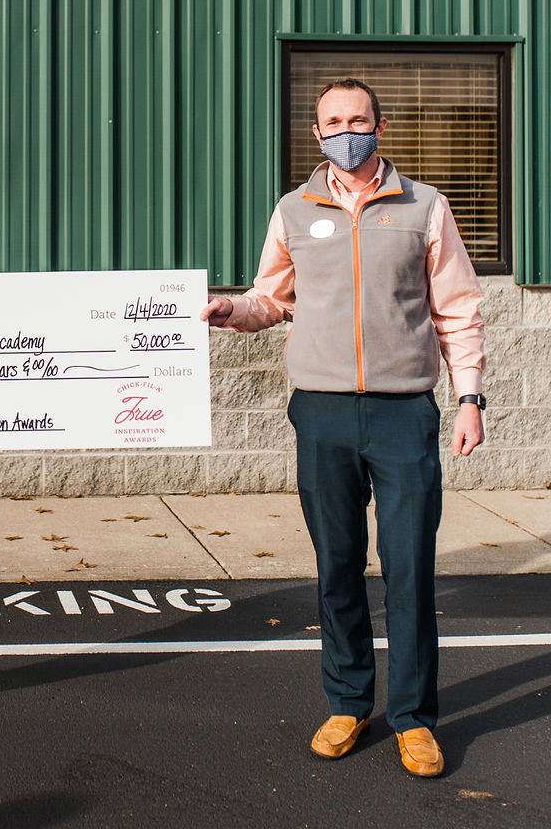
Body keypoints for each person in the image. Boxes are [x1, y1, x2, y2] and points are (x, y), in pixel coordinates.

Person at [202, 78, 485, 777]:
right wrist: (231, 311)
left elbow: (457, 308)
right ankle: (348, 702)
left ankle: (414, 718)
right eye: (333, 122)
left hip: (403, 414)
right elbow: (272, 298)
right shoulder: (294, 209)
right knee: (337, 566)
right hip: (322, 412)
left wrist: (470, 397)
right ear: (318, 132)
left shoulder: (424, 206)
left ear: (379, 127)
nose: (346, 131)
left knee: (409, 568)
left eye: (358, 120)